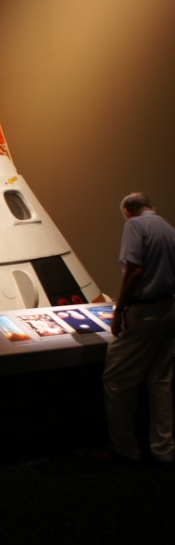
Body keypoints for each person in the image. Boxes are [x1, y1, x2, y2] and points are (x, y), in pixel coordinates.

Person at [100, 192, 175, 464]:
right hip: (167, 309)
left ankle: (125, 448)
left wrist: (119, 311)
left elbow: (135, 270)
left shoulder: (134, 225)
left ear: (128, 212)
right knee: (161, 382)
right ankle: (164, 449)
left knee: (117, 381)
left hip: (142, 314)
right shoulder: (167, 228)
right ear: (150, 207)